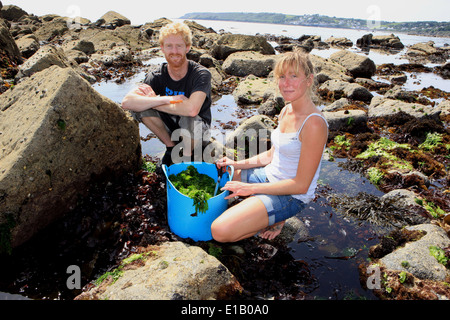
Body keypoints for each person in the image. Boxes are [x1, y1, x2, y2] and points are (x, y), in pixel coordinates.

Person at [211, 49, 329, 242]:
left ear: (309, 80)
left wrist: (252, 190)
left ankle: (278, 216)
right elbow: (271, 155)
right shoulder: (286, 110)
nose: (286, 83)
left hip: (291, 195)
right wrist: (236, 164)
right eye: (282, 76)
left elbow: (301, 185)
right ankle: (266, 214)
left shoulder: (314, 123)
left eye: (294, 76)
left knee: (220, 230)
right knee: (223, 176)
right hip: (267, 176)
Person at [121, 22, 212, 166]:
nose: (174, 51)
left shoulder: (201, 74)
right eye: (169, 46)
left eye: (179, 46)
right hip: (171, 130)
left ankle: (187, 157)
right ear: (162, 48)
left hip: (198, 134)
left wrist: (154, 102)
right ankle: (171, 148)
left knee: (189, 117)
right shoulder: (156, 75)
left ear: (187, 47)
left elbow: (191, 109)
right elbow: (127, 102)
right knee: (140, 107)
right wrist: (167, 100)